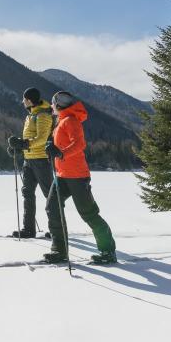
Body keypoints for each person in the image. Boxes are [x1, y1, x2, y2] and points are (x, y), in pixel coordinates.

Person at [43, 90, 117, 264]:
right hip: (62, 175)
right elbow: (61, 146)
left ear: (58, 104)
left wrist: (60, 153)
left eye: (53, 103)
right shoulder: (60, 121)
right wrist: (52, 149)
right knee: (52, 207)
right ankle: (59, 250)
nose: (51, 106)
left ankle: (108, 251)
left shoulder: (71, 120)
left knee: (88, 213)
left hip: (77, 175)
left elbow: (79, 144)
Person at [6, 87, 54, 239]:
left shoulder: (43, 116)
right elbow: (31, 140)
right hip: (29, 160)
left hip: (41, 160)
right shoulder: (30, 116)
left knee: (50, 195)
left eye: (24, 99)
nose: (22, 101)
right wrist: (19, 149)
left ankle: (56, 229)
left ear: (30, 100)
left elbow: (41, 138)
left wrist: (23, 144)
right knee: (27, 193)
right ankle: (28, 229)